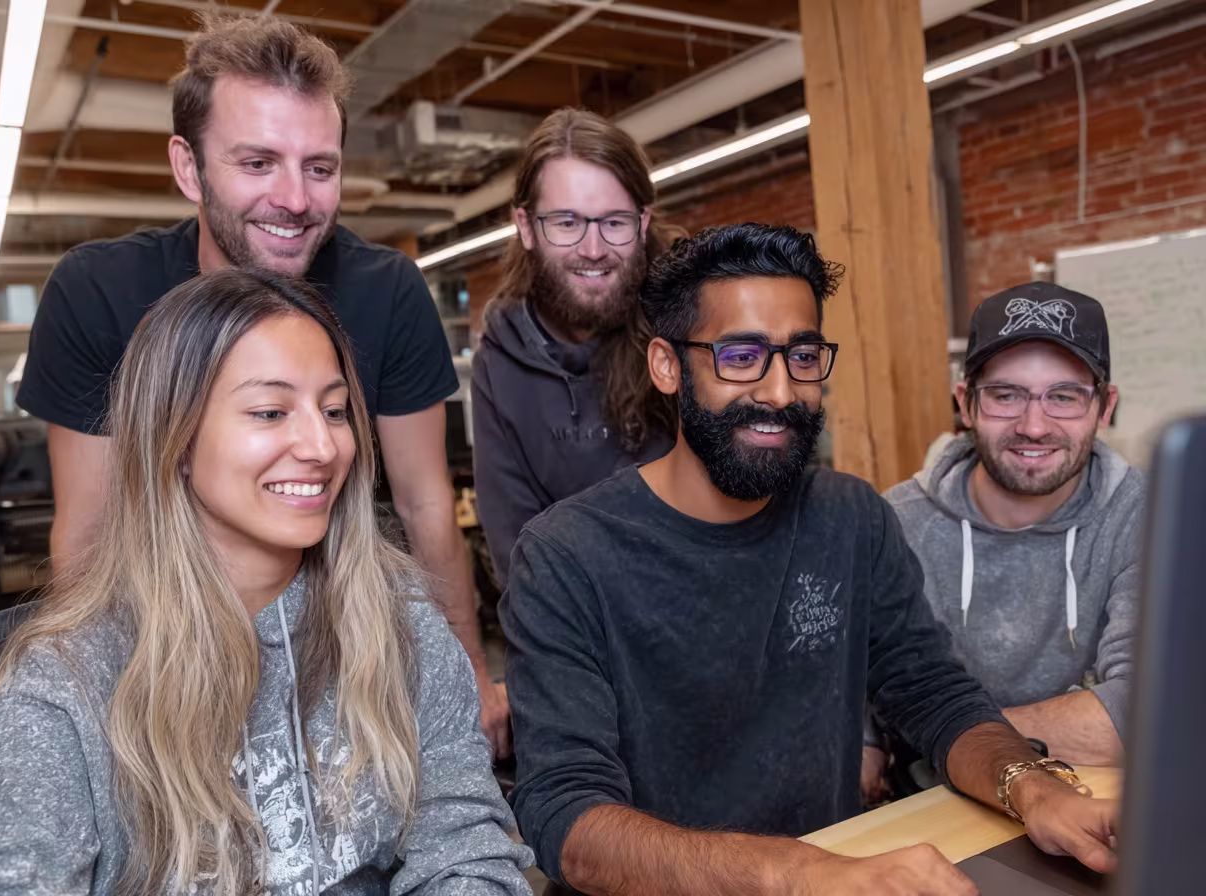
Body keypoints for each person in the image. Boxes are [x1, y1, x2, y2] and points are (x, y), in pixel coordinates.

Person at [500, 225, 1119, 896]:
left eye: (802, 356)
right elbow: (566, 819)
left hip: (842, 871)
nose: (780, 392)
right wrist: (795, 873)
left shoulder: (850, 517)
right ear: (667, 365)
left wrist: (1030, 788)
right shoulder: (566, 554)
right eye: (740, 356)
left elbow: (933, 694)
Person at [0, 270, 533, 896]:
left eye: (334, 411)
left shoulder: (402, 622)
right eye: (270, 411)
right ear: (178, 439)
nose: (323, 446)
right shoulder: (67, 680)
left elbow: (465, 850)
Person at [15, 14, 510, 755]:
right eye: (257, 164)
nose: (296, 200)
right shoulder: (99, 291)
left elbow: (424, 502)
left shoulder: (388, 292)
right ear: (189, 168)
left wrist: (468, 666)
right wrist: (95, 711)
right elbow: (88, 532)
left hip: (346, 648)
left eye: (320, 167)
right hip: (166, 656)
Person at [875, 284, 1142, 783]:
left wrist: (943, 738)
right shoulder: (893, 521)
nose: (1034, 426)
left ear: (1105, 407)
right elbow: (856, 711)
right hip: (930, 816)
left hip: (1092, 806)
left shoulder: (1148, 515)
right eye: (1005, 395)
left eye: (1063, 396)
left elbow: (1144, 713)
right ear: (966, 403)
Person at [471, 109, 680, 587]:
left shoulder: (689, 327)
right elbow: (517, 550)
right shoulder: (500, 364)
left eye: (614, 222)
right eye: (566, 222)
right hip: (573, 638)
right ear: (525, 227)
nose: (592, 248)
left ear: (643, 222)